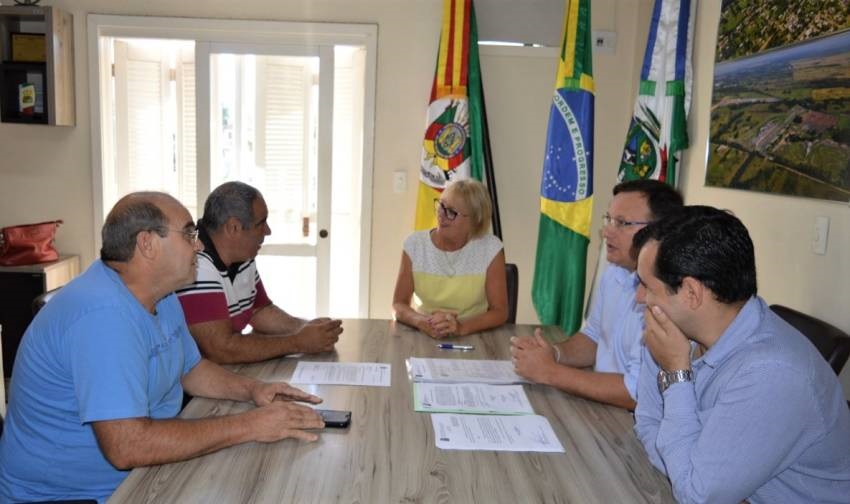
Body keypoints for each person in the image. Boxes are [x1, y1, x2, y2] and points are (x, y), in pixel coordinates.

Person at [0, 192, 326, 503]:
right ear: (147, 244)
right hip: (76, 495)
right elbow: (127, 446)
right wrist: (249, 425)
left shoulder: (161, 294)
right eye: (189, 234)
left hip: (141, 475)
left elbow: (191, 368)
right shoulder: (103, 317)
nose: (199, 245)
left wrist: (254, 390)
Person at [632, 205, 850, 503]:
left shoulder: (772, 372)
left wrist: (676, 374)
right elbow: (647, 422)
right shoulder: (676, 335)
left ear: (692, 293)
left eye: (646, 285)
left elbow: (697, 496)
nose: (639, 297)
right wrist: (687, 468)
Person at [510, 180, 683, 410]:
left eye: (622, 223)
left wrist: (550, 372)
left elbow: (636, 393)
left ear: (659, 230)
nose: (607, 231)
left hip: (635, 420)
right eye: (609, 219)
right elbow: (593, 337)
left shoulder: (669, 294)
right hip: (600, 406)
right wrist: (553, 353)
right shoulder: (614, 272)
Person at [177, 181, 343, 364]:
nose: (268, 231)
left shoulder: (242, 256)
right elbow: (221, 349)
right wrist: (298, 342)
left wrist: (306, 328)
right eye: (261, 223)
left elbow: (259, 311)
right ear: (233, 228)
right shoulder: (196, 264)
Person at [392, 179, 508, 338]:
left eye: (451, 212)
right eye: (441, 205)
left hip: (474, 335)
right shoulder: (415, 244)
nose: (441, 214)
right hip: (424, 334)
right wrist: (421, 321)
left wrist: (461, 327)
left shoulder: (490, 248)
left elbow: (500, 311)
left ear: (475, 220)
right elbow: (398, 304)